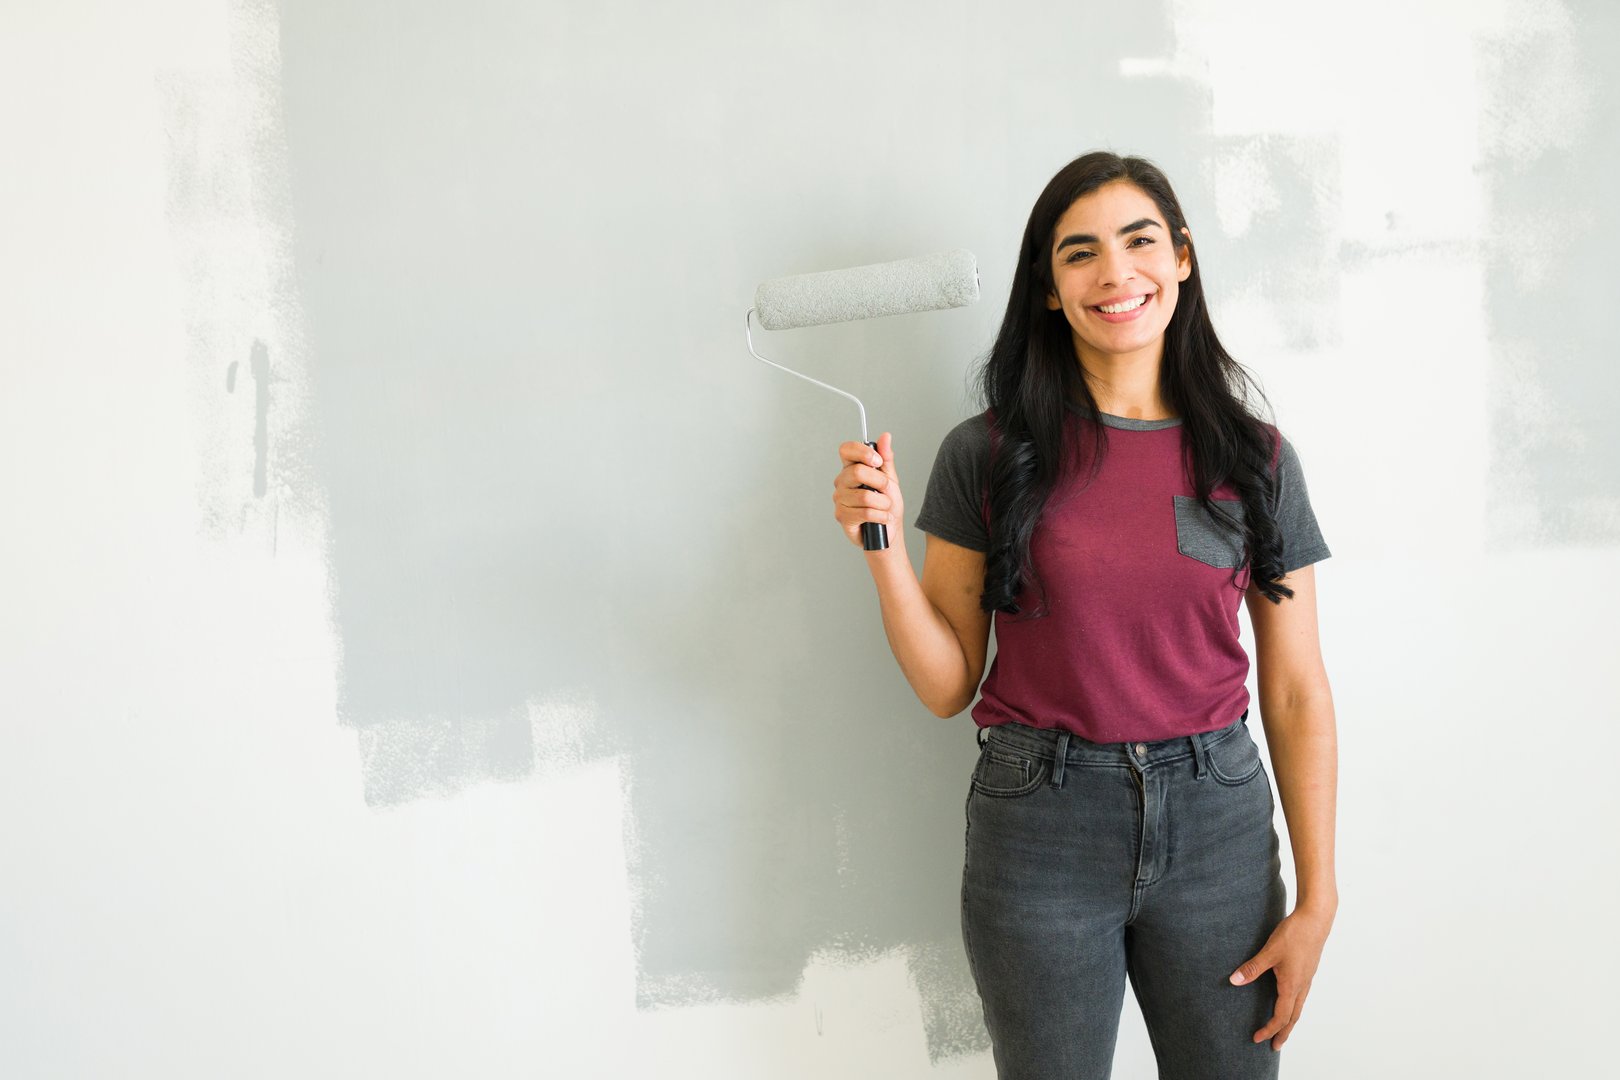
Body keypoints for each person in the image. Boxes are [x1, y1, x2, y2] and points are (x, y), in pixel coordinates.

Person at [830, 150, 1337, 1079]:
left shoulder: (1257, 458)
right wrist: (884, 547)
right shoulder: (985, 454)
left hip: (1218, 821)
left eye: (1139, 241)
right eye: (1080, 253)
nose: (1115, 273)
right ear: (1051, 289)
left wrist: (1318, 898)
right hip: (1042, 828)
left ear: (1182, 258)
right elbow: (948, 687)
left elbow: (1298, 689)